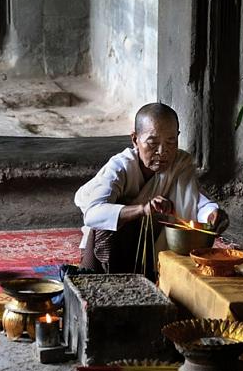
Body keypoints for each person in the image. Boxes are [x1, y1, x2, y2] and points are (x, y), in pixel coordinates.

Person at [74, 102, 229, 278]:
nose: (163, 152)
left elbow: (192, 201)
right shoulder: (120, 167)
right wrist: (142, 209)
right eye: (153, 143)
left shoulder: (180, 162)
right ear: (135, 139)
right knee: (113, 216)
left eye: (171, 142)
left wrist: (211, 213)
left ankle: (155, 273)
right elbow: (93, 214)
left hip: (155, 244)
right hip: (116, 247)